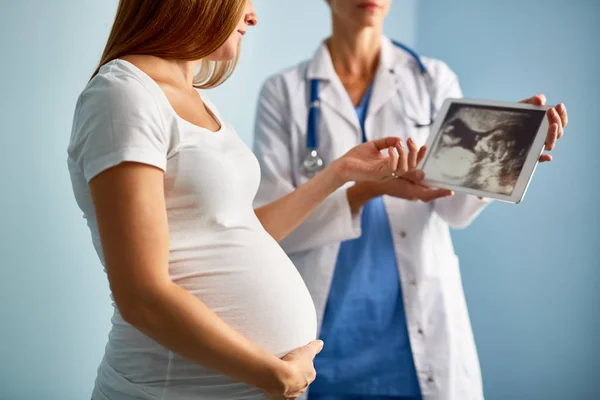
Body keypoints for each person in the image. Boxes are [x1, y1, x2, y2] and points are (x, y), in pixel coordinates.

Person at [66, 1, 425, 399]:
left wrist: (340, 173)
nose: (252, 16)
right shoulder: (124, 95)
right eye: (243, 1)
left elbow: (241, 231)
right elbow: (142, 296)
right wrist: (273, 374)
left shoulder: (195, 100)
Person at [252, 1, 568, 399]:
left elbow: (454, 210)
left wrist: (503, 150)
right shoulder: (285, 92)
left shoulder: (432, 79)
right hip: (323, 341)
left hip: (413, 341)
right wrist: (369, 187)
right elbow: (275, 233)